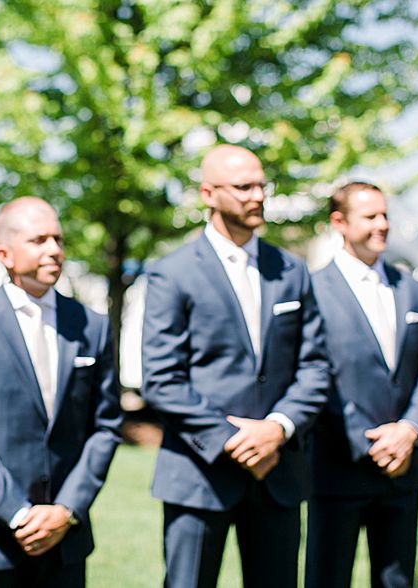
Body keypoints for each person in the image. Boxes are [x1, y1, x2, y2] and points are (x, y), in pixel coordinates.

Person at [141, 144, 330, 588]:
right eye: (243, 186)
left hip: (278, 473)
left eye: (261, 185)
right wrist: (236, 441)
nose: (256, 196)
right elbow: (162, 380)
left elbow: (315, 366)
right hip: (199, 473)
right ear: (208, 193)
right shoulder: (173, 272)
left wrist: (278, 428)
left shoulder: (292, 270)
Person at [0, 197, 123, 586]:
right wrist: (17, 512)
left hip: (68, 538)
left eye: (58, 239)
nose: (54, 249)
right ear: (5, 254)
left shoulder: (92, 326)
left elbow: (106, 426)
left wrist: (66, 509)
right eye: (39, 240)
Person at [305, 182, 418, 588]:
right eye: (370, 216)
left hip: (403, 465)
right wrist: (368, 441)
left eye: (385, 215)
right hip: (338, 464)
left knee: (399, 581)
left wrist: (409, 430)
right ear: (339, 223)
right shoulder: (313, 289)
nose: (382, 224)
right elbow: (315, 373)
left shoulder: (413, 288)